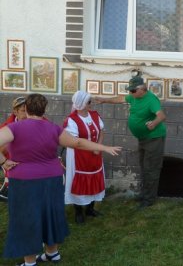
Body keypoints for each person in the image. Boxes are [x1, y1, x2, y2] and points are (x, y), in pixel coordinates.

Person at [0, 93, 121, 266]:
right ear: (45, 109)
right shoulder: (53, 128)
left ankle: (30, 262)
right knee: (51, 214)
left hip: (24, 181)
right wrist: (104, 147)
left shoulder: (14, 128)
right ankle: (52, 253)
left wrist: (4, 161)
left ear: (25, 109)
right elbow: (78, 143)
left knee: (26, 218)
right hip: (52, 179)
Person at [96, 75, 166, 208]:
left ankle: (148, 200)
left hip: (154, 138)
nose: (131, 93)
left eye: (133, 91)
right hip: (143, 138)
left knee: (151, 169)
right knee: (145, 167)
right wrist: (104, 100)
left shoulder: (151, 99)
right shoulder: (134, 97)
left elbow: (161, 115)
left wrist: (154, 123)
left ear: (142, 89)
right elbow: (120, 99)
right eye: (130, 90)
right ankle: (144, 194)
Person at [63, 91, 106, 224]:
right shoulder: (72, 120)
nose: (90, 104)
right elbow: (74, 141)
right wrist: (93, 148)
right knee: (79, 181)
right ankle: (78, 211)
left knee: (94, 178)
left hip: (95, 154)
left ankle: (90, 209)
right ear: (81, 103)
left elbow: (102, 131)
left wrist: (98, 146)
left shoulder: (94, 115)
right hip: (78, 156)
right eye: (88, 102)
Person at [0, 96, 28, 200]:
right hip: (13, 165)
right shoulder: (6, 127)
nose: (27, 115)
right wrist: (13, 141)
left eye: (29, 111)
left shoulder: (36, 120)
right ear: (15, 112)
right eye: (23, 111)